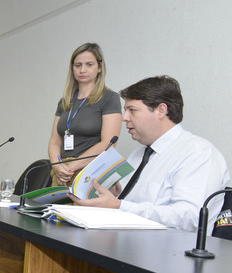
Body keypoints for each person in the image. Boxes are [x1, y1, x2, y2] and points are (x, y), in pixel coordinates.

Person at [69, 76, 230, 231]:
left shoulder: (198, 154)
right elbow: (130, 204)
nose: (125, 118)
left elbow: (191, 219)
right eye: (125, 110)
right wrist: (115, 196)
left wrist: (119, 206)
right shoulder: (138, 155)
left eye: (132, 110)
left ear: (161, 110)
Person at [48, 43, 122, 186]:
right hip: (62, 173)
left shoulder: (109, 98)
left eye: (89, 64)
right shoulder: (65, 101)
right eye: (78, 65)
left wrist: (71, 166)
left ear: (99, 67)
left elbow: (109, 143)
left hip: (90, 171)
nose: (82, 70)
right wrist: (56, 165)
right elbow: (54, 141)